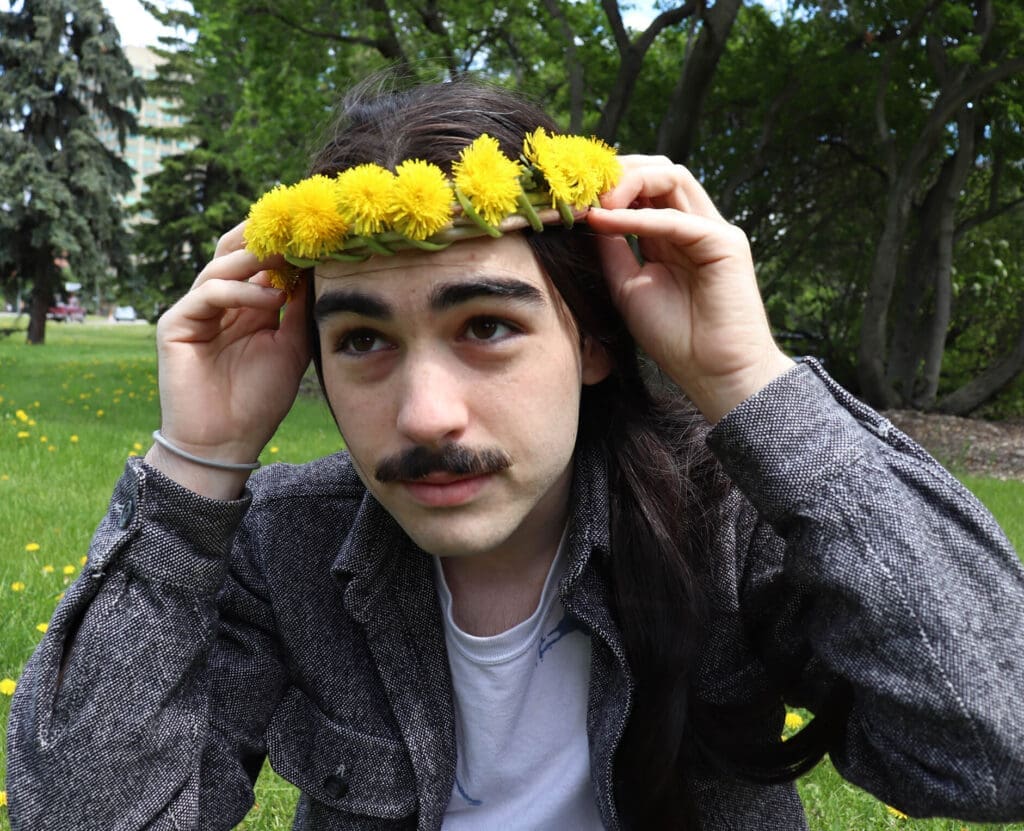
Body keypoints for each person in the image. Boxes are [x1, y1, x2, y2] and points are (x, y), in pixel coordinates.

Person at [6, 77, 1024, 831]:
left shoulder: (729, 522)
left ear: (593, 341)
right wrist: (196, 463)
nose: (426, 416)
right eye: (361, 341)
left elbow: (995, 746)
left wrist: (749, 379)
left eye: (487, 325)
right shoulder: (284, 549)